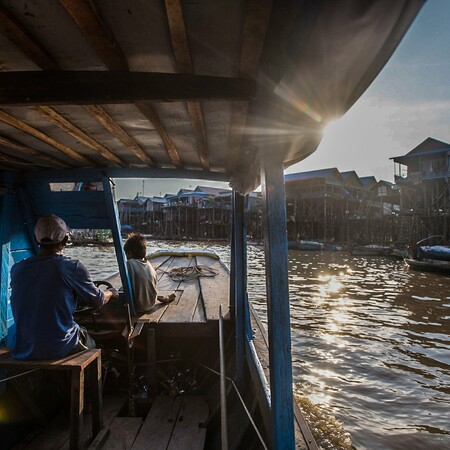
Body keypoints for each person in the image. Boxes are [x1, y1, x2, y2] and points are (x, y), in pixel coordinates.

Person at [10, 214, 118, 360]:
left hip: (23, 349)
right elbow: (97, 300)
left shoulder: (17, 269)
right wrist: (110, 293)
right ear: (66, 240)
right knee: (91, 342)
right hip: (58, 347)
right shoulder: (72, 267)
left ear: (37, 239)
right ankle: (93, 378)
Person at [124, 233, 175, 314]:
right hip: (150, 304)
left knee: (113, 293)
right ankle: (160, 298)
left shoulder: (129, 264)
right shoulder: (149, 265)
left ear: (129, 253)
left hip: (137, 308)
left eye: (126, 254)